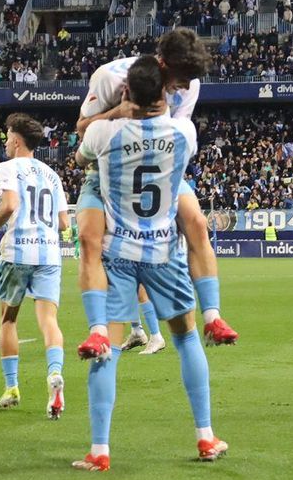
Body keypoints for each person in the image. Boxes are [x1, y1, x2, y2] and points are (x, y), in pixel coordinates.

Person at [71, 56, 228, 471]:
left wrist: (112, 118)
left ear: (126, 93)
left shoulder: (105, 131)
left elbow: (81, 158)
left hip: (118, 255)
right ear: (163, 93)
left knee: (108, 352)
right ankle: (206, 438)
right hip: (163, 253)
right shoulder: (185, 131)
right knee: (187, 340)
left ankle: (100, 451)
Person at [74, 28, 237, 348]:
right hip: (110, 169)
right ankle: (100, 330)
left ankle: (213, 316)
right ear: (164, 65)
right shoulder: (109, 76)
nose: (188, 86)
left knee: (198, 223)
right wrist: (116, 114)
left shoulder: (190, 84)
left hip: (158, 171)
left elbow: (177, 134)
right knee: (88, 238)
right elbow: (81, 129)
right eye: (184, 77)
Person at [0, 113, 69, 417]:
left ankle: (11, 387)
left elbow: (10, 204)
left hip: (17, 253)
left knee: (8, 320)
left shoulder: (7, 167)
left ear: (15, 139)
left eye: (7, 136)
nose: (6, 142)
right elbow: (64, 222)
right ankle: (54, 373)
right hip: (50, 254)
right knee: (49, 321)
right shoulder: (52, 175)